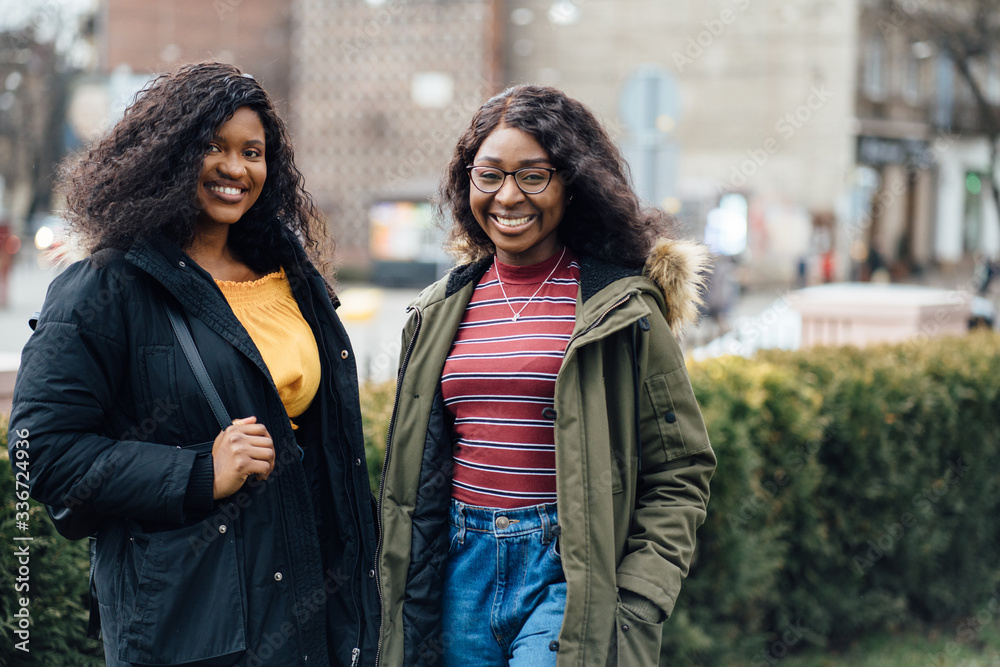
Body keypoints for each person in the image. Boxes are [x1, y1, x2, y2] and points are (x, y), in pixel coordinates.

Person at [9, 62, 379, 667]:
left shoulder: (290, 279)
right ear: (167, 155)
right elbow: (42, 455)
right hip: (190, 628)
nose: (236, 168)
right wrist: (198, 471)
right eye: (213, 146)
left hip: (309, 613)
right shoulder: (106, 286)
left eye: (252, 152)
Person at [376, 85, 717, 666]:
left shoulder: (623, 308)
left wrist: (639, 594)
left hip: (569, 567)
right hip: (459, 566)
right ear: (467, 183)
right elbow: (413, 471)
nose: (508, 196)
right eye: (490, 176)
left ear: (572, 183)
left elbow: (681, 467)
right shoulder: (437, 311)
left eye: (533, 176)